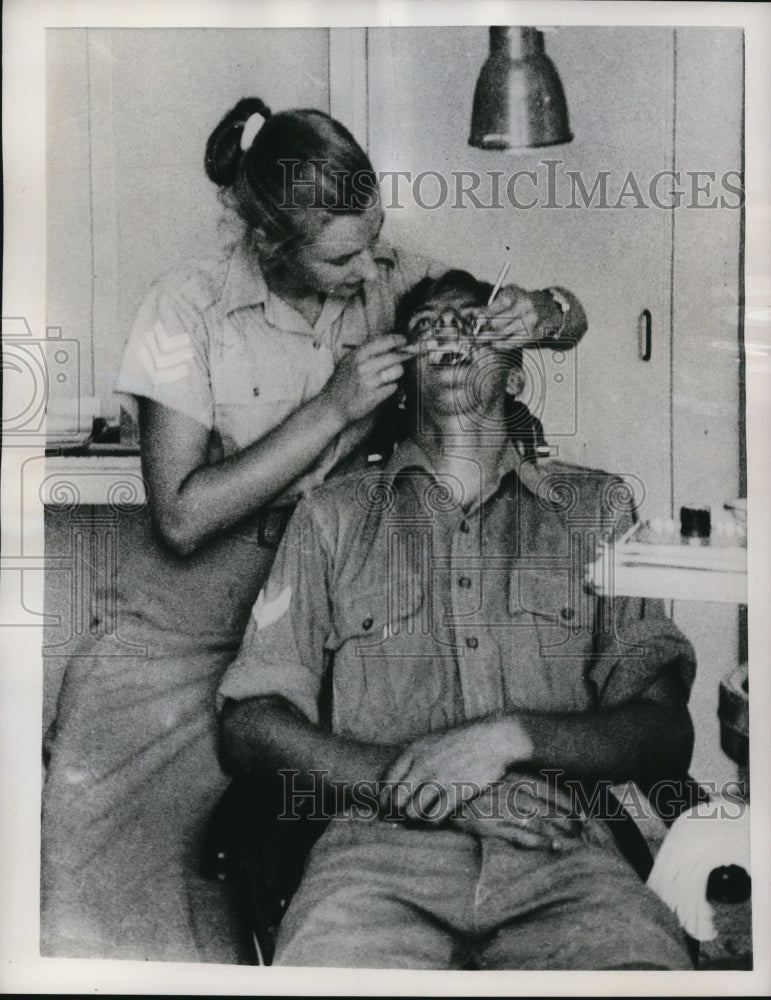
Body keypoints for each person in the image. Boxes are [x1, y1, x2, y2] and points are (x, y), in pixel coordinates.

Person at [40, 98, 586, 964]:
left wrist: (545, 312)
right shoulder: (183, 309)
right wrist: (330, 408)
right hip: (184, 637)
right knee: (112, 895)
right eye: (344, 254)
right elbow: (181, 516)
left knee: (334, 864)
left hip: (324, 633)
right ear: (269, 244)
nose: (373, 266)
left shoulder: (383, 272)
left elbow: (535, 318)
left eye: (375, 238)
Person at [217, 269, 698, 970]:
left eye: (470, 322)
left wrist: (510, 738)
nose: (445, 329)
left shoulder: (598, 511)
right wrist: (415, 784)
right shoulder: (333, 516)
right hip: (373, 864)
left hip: (564, 858)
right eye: (424, 325)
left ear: (511, 368)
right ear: (405, 375)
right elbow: (249, 726)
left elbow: (665, 732)